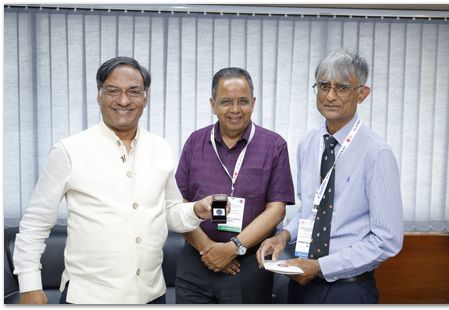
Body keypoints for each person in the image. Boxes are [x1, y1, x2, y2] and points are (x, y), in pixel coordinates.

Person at [13, 56, 225, 304]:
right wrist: (29, 285)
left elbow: (169, 213)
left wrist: (196, 210)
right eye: (113, 91)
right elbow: (35, 224)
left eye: (134, 91)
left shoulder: (160, 147)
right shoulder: (69, 150)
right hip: (88, 298)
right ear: (99, 96)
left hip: (151, 296)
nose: (123, 100)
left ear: (145, 97)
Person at [256, 49, 404, 304]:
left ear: (362, 93)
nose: (330, 96)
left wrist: (322, 266)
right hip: (301, 284)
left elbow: (387, 240)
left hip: (348, 289)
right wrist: (283, 236)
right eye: (324, 85)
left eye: (342, 87)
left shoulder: (377, 154)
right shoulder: (308, 143)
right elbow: (310, 212)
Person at [174, 67, 296, 303]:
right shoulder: (195, 141)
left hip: (247, 267)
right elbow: (179, 204)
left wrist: (232, 248)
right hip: (195, 262)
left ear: (254, 102)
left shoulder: (274, 145)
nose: (235, 109)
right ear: (212, 104)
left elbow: (276, 209)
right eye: (226, 101)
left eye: (243, 101)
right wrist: (208, 249)